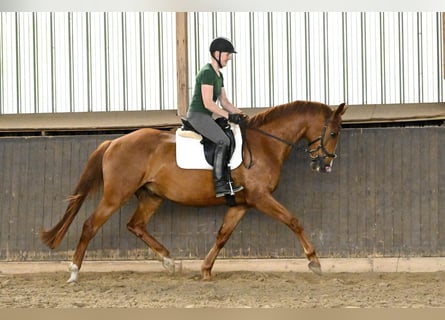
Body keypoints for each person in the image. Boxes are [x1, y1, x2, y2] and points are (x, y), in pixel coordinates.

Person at [186, 37, 247, 198]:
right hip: (198, 115)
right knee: (223, 140)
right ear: (217, 54)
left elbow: (224, 101)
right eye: (227, 54)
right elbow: (208, 103)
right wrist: (228, 116)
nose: (229, 58)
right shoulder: (207, 73)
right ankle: (220, 184)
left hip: (206, 116)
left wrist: (240, 115)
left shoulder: (218, 75)